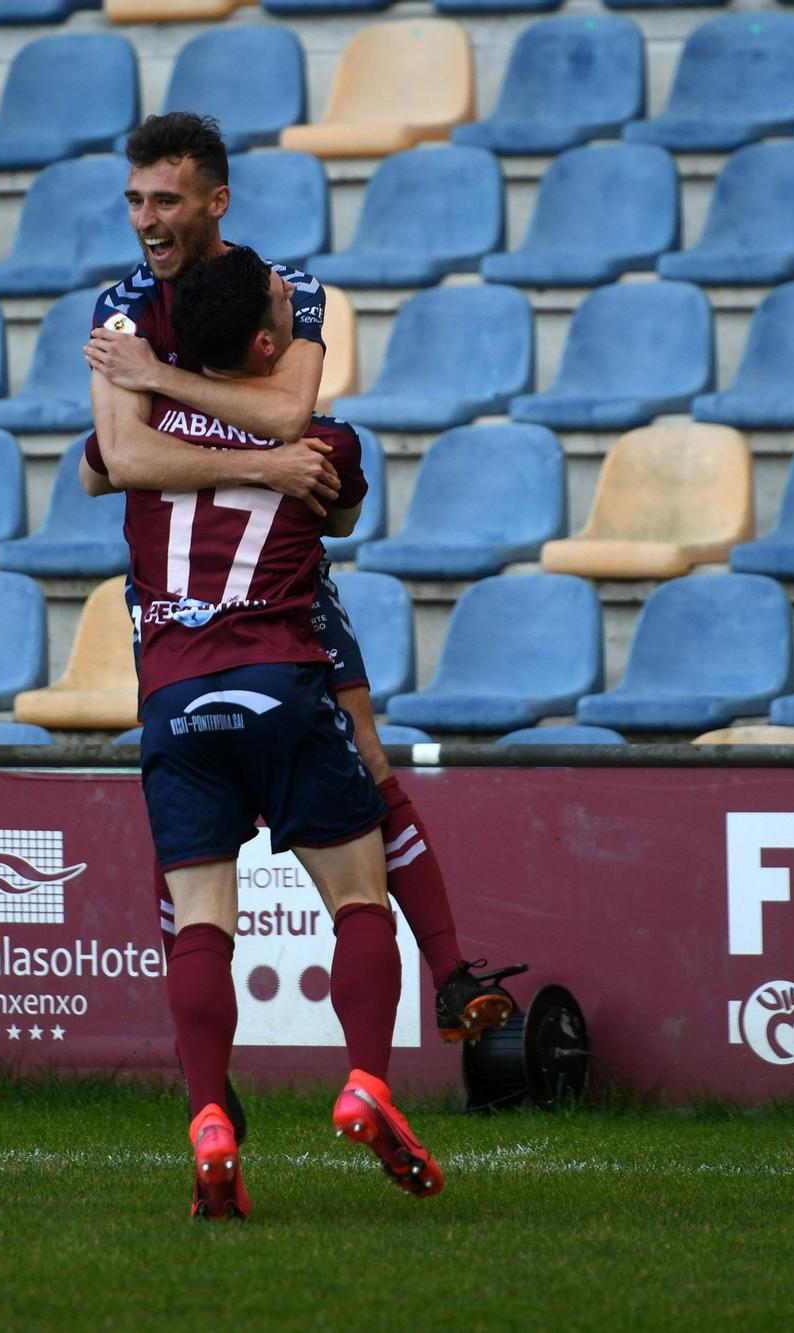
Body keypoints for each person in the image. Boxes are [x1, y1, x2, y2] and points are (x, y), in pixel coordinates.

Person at [82, 113, 527, 1067]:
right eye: (134, 200)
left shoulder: (287, 292)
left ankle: (446, 972)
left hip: (268, 593)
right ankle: (327, 1050)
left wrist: (161, 382)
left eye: (164, 200)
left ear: (214, 202)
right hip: (214, 590)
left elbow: (280, 414)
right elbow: (119, 458)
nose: (146, 220)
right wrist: (270, 467)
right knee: (239, 827)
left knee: (361, 762)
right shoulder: (119, 306)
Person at [88, 245, 443, 1220]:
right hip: (281, 685)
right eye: (283, 303)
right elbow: (340, 505)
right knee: (356, 894)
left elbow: (99, 470)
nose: (294, 301)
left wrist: (150, 382)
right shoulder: (322, 446)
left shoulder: (144, 430)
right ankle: (366, 1080)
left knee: (201, 919)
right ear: (262, 340)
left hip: (170, 700)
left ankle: (208, 1113)